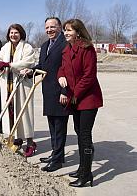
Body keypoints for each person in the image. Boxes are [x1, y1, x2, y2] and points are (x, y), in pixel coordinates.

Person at [58, 18, 103, 187]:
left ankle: (86, 175)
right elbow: (63, 68)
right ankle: (82, 168)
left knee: (84, 135)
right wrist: (60, 76)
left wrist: (74, 94)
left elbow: (89, 76)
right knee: (79, 132)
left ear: (78, 31)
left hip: (88, 99)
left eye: (69, 30)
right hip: (76, 99)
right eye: (65, 30)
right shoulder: (67, 49)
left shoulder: (87, 48)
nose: (66, 33)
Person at [22, 17, 69, 171]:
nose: (49, 30)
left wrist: (65, 91)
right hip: (48, 91)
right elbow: (42, 65)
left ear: (60, 27)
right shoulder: (44, 45)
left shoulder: (66, 44)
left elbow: (69, 70)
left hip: (61, 91)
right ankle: (57, 154)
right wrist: (31, 71)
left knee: (60, 126)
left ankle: (57, 160)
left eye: (53, 27)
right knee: (52, 126)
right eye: (47, 27)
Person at [0, 24, 37, 157]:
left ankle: (30, 142)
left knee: (24, 112)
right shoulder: (5, 47)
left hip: (22, 84)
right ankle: (17, 140)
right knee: (11, 113)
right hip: (8, 84)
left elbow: (27, 62)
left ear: (21, 34)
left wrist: (9, 65)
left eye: (16, 33)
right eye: (11, 33)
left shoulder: (27, 47)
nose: (13, 35)